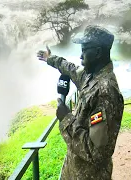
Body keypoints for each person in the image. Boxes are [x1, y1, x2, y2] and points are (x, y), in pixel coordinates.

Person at [37, 25, 124, 180]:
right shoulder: (90, 76)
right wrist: (51, 59)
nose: (81, 56)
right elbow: (71, 69)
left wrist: (66, 118)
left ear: (97, 53)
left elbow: (96, 152)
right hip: (75, 171)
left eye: (84, 50)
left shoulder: (105, 93)